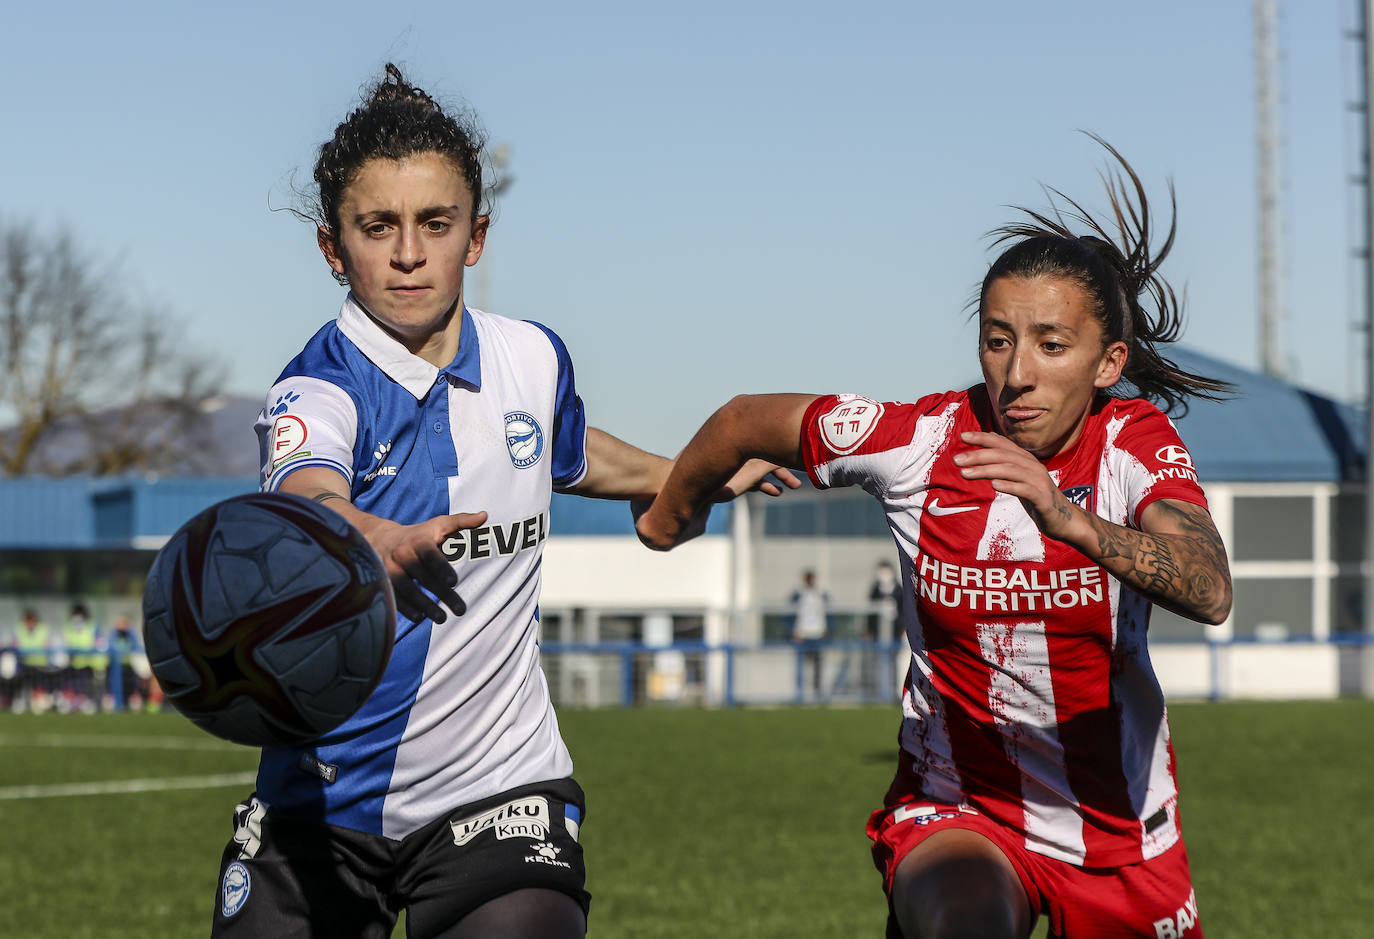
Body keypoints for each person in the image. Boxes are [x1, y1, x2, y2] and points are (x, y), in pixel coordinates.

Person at [223, 64, 794, 939]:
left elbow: (567, 454)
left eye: (435, 223)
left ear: (476, 235)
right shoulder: (315, 389)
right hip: (319, 808)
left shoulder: (533, 356)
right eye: (377, 227)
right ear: (334, 249)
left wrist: (683, 472)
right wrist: (371, 536)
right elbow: (309, 491)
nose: (408, 252)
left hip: (500, 789)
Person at [636, 140, 1231, 939]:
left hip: (1121, 827)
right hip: (959, 808)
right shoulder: (919, 440)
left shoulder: (1133, 442)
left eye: (1051, 346)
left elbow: (1210, 585)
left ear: (1106, 363)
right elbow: (747, 419)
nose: (1016, 371)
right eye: (996, 339)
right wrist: (667, 519)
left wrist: (1074, 522)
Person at [788, 569, 829, 698]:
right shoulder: (798, 595)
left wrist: (826, 630)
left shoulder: (821, 594)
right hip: (802, 635)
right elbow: (789, 615)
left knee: (818, 666)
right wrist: (794, 632)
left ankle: (818, 692)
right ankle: (799, 693)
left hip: (817, 635)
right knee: (801, 665)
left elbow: (827, 614)